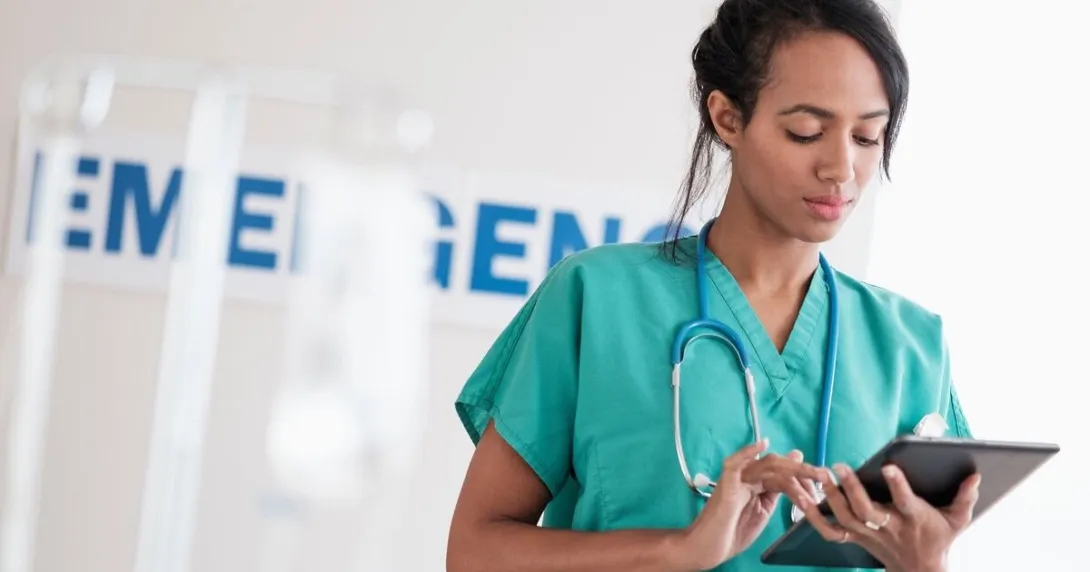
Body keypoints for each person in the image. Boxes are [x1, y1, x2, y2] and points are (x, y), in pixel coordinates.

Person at [446, 0, 980, 570]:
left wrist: (927, 564)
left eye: (868, 137)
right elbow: (474, 550)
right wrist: (681, 551)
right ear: (728, 118)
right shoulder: (596, 299)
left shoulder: (912, 347)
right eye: (807, 131)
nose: (841, 167)